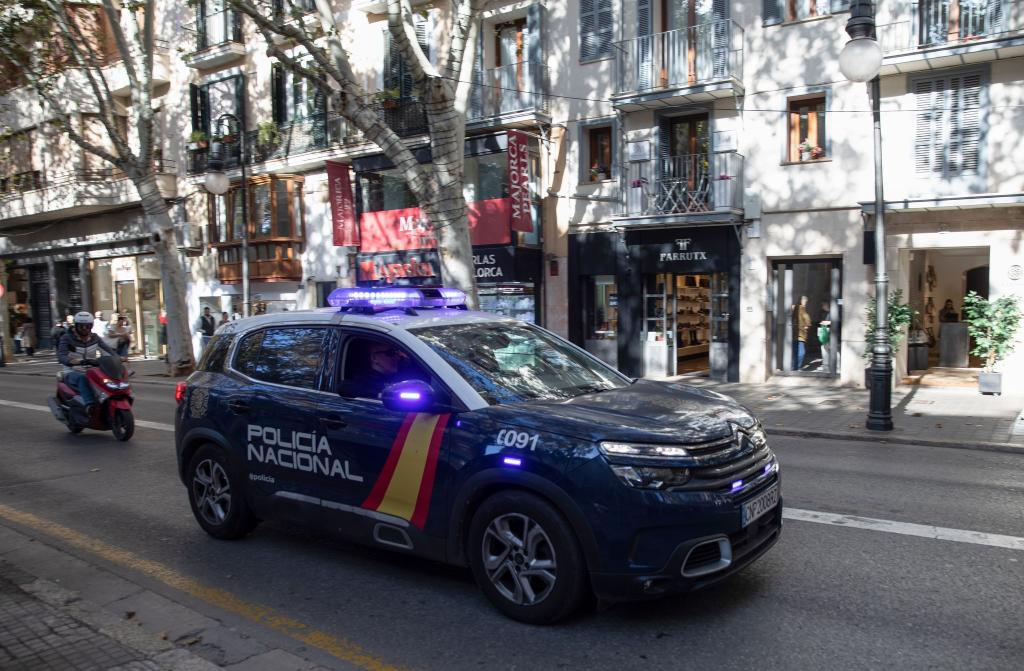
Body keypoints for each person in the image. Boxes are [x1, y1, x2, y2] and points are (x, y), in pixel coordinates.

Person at [58, 312, 117, 412]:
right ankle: (90, 406)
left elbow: (108, 350)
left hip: (92, 370)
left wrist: (118, 358)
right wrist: (71, 361)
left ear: (92, 326)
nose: (85, 329)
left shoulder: (95, 338)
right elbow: (61, 356)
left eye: (88, 326)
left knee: (108, 379)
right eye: (81, 326)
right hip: (72, 371)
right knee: (83, 378)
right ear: (76, 325)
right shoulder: (67, 338)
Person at [791, 295, 811, 371]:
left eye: (806, 302)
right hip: (799, 334)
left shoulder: (801, 309)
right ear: (801, 301)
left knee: (797, 352)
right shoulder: (799, 308)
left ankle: (795, 367)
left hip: (799, 334)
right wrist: (807, 325)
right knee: (801, 352)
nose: (805, 303)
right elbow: (806, 318)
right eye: (805, 301)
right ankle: (796, 367)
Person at [817, 301, 832, 374]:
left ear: (826, 305)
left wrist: (828, 323)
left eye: (823, 306)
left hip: (831, 333)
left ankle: (831, 365)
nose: (822, 307)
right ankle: (825, 365)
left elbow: (836, 321)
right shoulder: (824, 313)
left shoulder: (832, 312)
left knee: (830, 349)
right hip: (825, 332)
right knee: (824, 348)